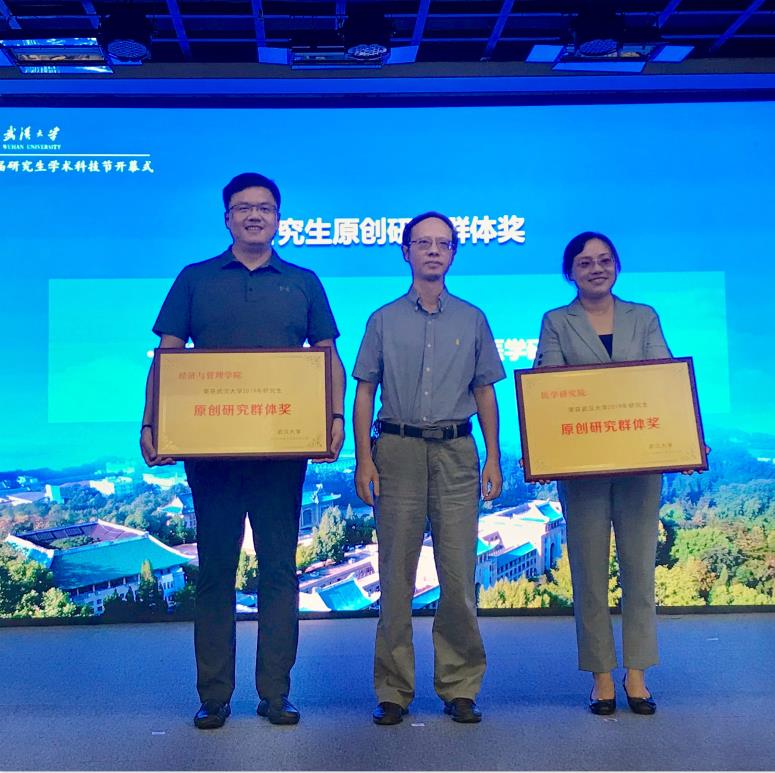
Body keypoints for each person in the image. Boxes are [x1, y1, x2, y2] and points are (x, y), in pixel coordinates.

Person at [140, 172, 345, 729]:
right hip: (213, 455)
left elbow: (327, 358)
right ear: (227, 218)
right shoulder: (195, 278)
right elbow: (167, 359)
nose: (255, 215)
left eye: (265, 208)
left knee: (279, 570)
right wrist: (151, 422)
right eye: (243, 207)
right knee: (216, 571)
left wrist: (334, 419)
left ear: (278, 218)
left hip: (281, 453)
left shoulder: (303, 282)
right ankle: (214, 695)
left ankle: (276, 693)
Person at [352, 211, 504, 726]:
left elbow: (485, 392)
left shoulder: (473, 319)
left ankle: (460, 687)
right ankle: (393, 690)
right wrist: (364, 460)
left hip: (457, 453)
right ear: (406, 252)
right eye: (423, 243)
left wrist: (493, 457)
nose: (434, 251)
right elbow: (365, 392)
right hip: (396, 452)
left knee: (458, 576)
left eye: (443, 243)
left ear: (454, 253)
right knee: (395, 577)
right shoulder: (382, 320)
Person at [534, 231, 672, 716]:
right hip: (582, 466)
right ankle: (601, 677)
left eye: (605, 260)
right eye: (585, 262)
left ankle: (637, 674)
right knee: (590, 574)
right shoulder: (556, 321)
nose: (596, 268)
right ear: (570, 272)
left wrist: (683, 431)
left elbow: (664, 380)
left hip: (640, 462)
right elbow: (549, 387)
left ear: (617, 266)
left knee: (639, 569)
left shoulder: (644, 316)